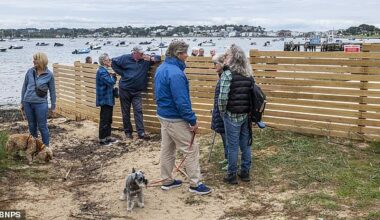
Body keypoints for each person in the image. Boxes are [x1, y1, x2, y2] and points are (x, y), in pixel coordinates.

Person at [154, 40, 212, 195]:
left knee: (167, 148)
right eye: (185, 53)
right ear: (178, 54)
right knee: (191, 149)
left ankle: (167, 181)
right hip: (174, 117)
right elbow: (182, 101)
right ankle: (195, 183)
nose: (187, 55)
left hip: (163, 115)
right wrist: (192, 120)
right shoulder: (176, 74)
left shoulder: (162, 68)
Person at [218, 44, 253, 184]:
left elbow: (222, 98)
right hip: (246, 115)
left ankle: (231, 175)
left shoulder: (227, 74)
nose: (225, 58)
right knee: (245, 145)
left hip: (231, 115)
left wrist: (222, 112)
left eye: (227, 55)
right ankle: (245, 172)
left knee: (232, 146)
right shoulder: (248, 74)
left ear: (232, 58)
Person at [111, 45, 161, 140]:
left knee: (138, 111)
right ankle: (128, 132)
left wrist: (151, 58)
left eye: (143, 53)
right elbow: (113, 61)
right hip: (124, 89)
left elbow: (158, 58)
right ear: (135, 53)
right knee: (125, 112)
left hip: (137, 91)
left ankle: (141, 133)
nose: (143, 54)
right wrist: (123, 73)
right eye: (141, 53)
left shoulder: (146, 60)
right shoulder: (125, 58)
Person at [21, 52, 56, 148]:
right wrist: (22, 102)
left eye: (35, 59)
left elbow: (52, 92)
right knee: (32, 126)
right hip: (27, 102)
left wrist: (53, 106)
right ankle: (35, 148)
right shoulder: (29, 71)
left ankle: (46, 148)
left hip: (41, 104)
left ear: (41, 60)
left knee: (42, 127)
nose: (33, 61)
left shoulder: (49, 75)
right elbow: (24, 87)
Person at [96, 53, 118, 146]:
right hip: (104, 99)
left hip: (108, 98)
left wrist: (112, 75)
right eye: (108, 60)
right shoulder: (102, 71)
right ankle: (102, 139)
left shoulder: (105, 70)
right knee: (104, 119)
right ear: (104, 62)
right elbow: (110, 82)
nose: (110, 61)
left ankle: (108, 137)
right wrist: (114, 76)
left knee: (109, 119)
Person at [210, 54, 228, 171]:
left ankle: (231, 160)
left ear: (222, 64)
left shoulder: (225, 78)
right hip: (219, 111)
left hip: (223, 113)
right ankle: (227, 157)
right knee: (223, 135)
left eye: (215, 63)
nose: (214, 66)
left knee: (227, 138)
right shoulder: (221, 76)